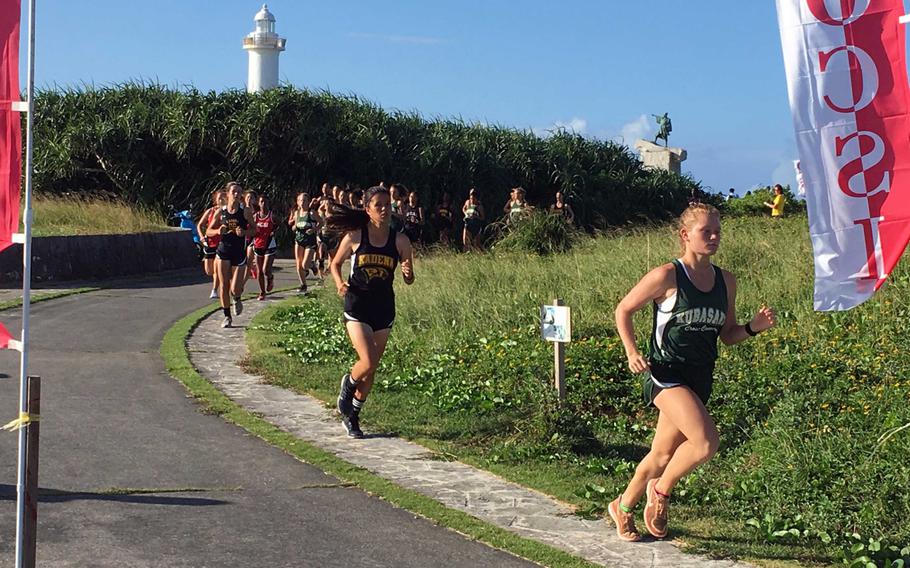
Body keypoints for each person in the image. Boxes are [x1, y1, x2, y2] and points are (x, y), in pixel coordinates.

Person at [609, 202, 777, 542]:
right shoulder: (666, 276)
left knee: (661, 454)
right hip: (666, 373)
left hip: (700, 378)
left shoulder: (726, 281)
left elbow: (727, 335)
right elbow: (623, 310)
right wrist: (632, 352)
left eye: (718, 232)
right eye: (706, 232)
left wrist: (753, 327)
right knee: (705, 443)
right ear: (685, 236)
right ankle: (661, 492)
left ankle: (622, 506)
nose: (714, 237)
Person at [328, 185, 415, 438]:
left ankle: (353, 415)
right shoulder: (356, 236)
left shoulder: (400, 240)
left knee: (372, 367)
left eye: (388, 204)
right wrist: (339, 283)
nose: (385, 209)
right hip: (357, 304)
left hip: (384, 308)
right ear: (368, 209)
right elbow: (335, 264)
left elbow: (408, 277)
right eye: (379, 205)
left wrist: (408, 275)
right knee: (368, 361)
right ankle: (349, 383)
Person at [206, 182, 256, 328]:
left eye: (239, 192)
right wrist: (217, 232)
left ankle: (237, 298)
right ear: (227, 194)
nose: (236, 194)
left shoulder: (245, 211)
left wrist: (245, 232)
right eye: (234, 191)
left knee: (235, 288)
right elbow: (208, 231)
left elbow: (255, 230)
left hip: (239, 251)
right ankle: (227, 316)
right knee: (223, 285)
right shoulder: (220, 212)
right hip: (223, 250)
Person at [197, 188, 225, 299]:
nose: (222, 199)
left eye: (224, 197)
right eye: (220, 198)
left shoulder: (227, 212)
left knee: (217, 269)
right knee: (209, 271)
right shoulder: (210, 211)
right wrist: (201, 237)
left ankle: (214, 290)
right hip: (210, 242)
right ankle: (220, 280)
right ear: (216, 200)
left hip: (222, 243)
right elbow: (200, 225)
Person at [289, 192, 319, 292]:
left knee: (304, 265)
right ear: (297, 202)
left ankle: (311, 265)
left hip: (310, 241)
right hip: (299, 239)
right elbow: (295, 225)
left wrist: (314, 229)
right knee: (298, 264)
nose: (302, 202)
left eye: (305, 200)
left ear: (308, 202)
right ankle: (303, 285)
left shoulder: (312, 213)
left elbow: (322, 222)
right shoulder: (297, 213)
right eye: (300, 200)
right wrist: (294, 227)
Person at [252, 194, 278, 300]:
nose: (264, 204)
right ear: (258, 203)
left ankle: (270, 278)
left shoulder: (272, 216)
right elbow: (250, 228)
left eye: (265, 202)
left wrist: (274, 231)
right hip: (258, 244)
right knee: (259, 271)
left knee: (266, 269)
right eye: (262, 202)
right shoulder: (255, 216)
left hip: (269, 244)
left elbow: (280, 225)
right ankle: (262, 292)